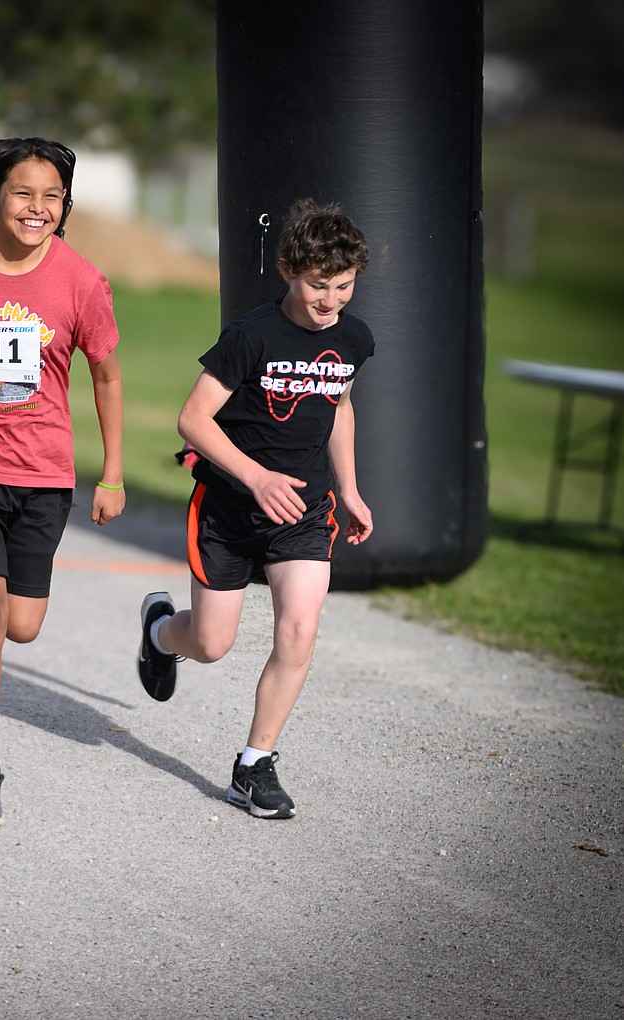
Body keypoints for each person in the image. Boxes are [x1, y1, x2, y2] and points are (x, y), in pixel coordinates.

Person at [137, 198, 374, 820]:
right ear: (289, 270)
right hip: (229, 510)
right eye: (319, 285)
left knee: (299, 627)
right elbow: (192, 420)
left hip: (306, 509)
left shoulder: (353, 338)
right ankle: (161, 633)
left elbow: (339, 407)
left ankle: (254, 764)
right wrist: (255, 476)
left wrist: (348, 488)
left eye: (344, 287)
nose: (331, 301)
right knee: (211, 644)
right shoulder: (251, 335)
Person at [0, 137, 125, 826]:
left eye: (51, 197)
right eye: (23, 193)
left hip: (43, 475)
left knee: (22, 626)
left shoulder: (81, 280)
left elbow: (106, 376)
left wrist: (115, 474)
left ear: (64, 206)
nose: (37, 208)